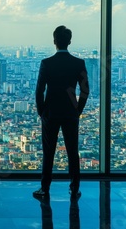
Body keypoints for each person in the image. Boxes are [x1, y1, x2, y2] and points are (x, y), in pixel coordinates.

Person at [33, 25, 89, 199]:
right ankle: (74, 188)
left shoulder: (47, 63)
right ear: (69, 41)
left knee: (48, 152)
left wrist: (42, 111)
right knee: (72, 151)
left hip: (50, 113)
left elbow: (39, 90)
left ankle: (45, 188)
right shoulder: (78, 63)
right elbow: (85, 90)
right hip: (70, 113)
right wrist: (77, 110)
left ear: (54, 41)